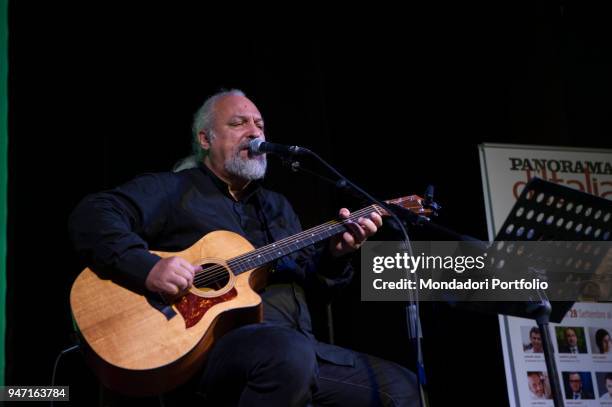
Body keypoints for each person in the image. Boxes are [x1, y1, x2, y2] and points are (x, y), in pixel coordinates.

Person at [68, 89, 419, 406]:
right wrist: (147, 267)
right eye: (239, 123)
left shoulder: (278, 207)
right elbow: (92, 215)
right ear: (205, 138)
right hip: (211, 353)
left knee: (401, 389)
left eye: (260, 125)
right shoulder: (173, 190)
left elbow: (313, 289)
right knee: (286, 354)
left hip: (296, 350)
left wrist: (336, 256)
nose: (255, 133)